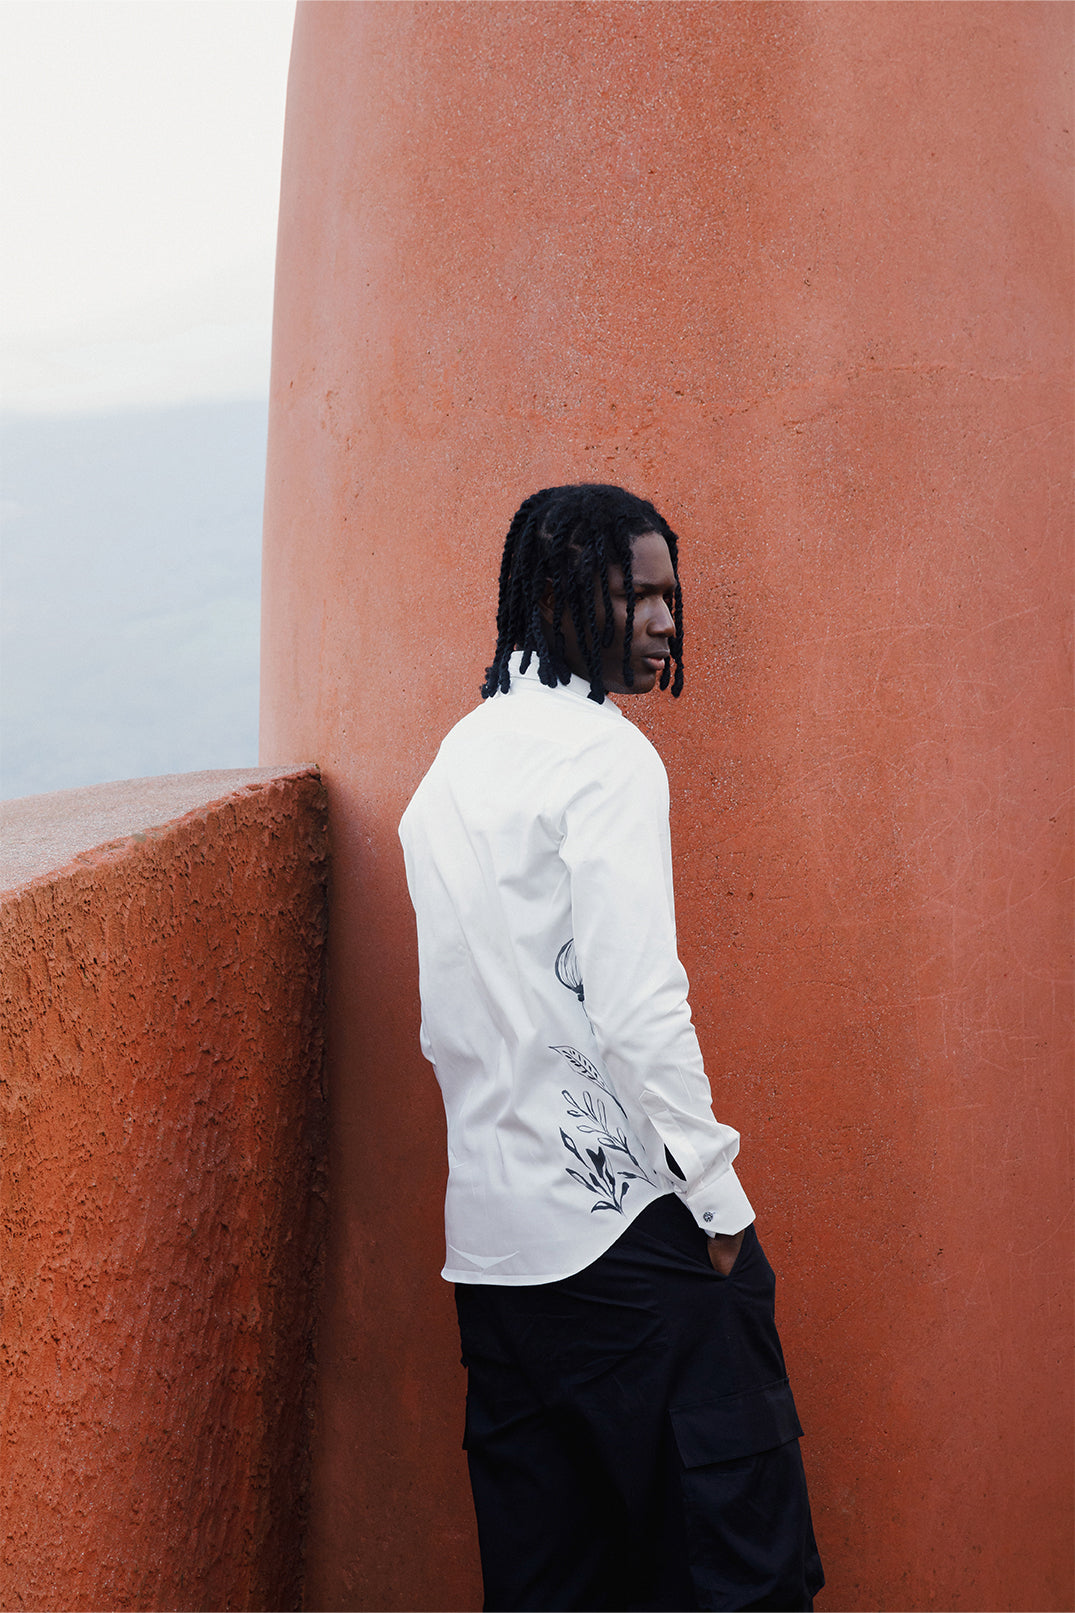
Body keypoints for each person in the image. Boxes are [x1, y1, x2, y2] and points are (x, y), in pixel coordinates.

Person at [399, 484, 823, 1612]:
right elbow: (640, 1008)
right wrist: (719, 1205)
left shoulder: (456, 762)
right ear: (552, 597)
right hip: (633, 1246)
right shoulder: (606, 760)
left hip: (493, 1257)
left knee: (553, 1583)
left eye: (668, 595)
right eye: (630, 594)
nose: (661, 621)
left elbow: (451, 1025)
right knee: (742, 1571)